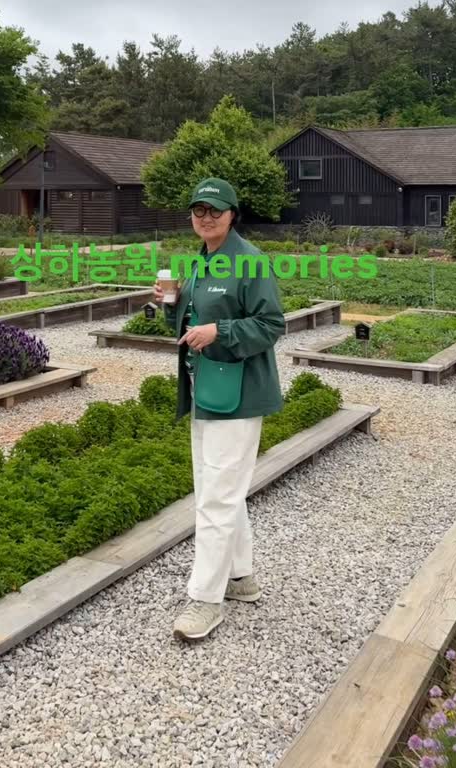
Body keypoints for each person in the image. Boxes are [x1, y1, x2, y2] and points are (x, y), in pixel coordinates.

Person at [153, 176, 285, 642]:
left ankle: (205, 600)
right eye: (198, 210)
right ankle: (241, 577)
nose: (205, 217)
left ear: (232, 214)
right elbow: (189, 325)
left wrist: (220, 333)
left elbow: (271, 324)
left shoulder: (249, 262)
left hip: (239, 393)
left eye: (215, 210)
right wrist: (169, 304)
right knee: (218, 488)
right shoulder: (201, 261)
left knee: (216, 498)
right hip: (206, 389)